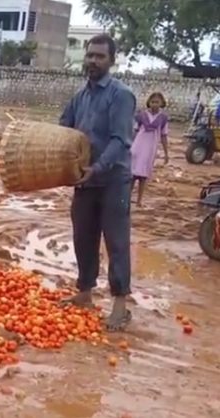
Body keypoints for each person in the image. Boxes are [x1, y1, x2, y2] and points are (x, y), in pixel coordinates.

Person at [58, 34, 136, 331]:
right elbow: (64, 128)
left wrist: (98, 167)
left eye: (99, 56)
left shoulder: (121, 95)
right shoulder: (80, 96)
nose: (92, 60)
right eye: (90, 55)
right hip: (85, 179)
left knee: (116, 241)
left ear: (111, 61)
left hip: (113, 179)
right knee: (83, 237)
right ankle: (85, 293)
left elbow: (121, 140)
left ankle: (120, 305)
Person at [131, 92, 169, 206]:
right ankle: (126, 199)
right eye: (152, 102)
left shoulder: (163, 118)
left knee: (143, 176)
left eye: (157, 102)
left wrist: (166, 153)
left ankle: (139, 200)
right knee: (132, 175)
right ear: (149, 103)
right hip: (138, 146)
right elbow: (134, 131)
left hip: (150, 149)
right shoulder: (141, 115)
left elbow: (164, 135)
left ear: (162, 103)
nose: (154, 104)